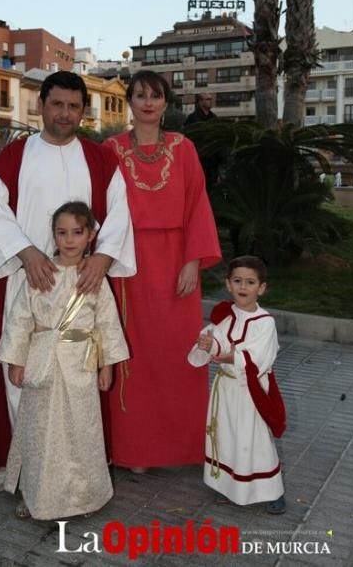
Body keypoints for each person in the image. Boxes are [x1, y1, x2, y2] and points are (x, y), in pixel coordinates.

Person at [0, 70, 135, 489]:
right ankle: (25, 469)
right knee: (24, 378)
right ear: (41, 105)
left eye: (73, 106)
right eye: (57, 104)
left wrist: (102, 256)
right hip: (28, 285)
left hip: (83, 288)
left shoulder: (101, 159)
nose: (65, 114)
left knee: (79, 387)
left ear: (83, 110)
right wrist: (26, 252)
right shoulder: (14, 157)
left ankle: (76, 474)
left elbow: (119, 213)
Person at [104, 69, 221, 472]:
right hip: (127, 262)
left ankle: (183, 446)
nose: (148, 102)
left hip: (176, 262)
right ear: (130, 102)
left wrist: (193, 260)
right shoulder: (111, 149)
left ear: (166, 103)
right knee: (134, 355)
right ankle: (136, 450)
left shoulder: (184, 148)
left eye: (156, 95)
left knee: (177, 353)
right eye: (140, 95)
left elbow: (197, 204)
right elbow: (101, 209)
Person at [0, 201, 129, 520]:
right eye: (62, 232)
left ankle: (84, 498)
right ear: (53, 236)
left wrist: (107, 365)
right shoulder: (41, 273)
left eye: (77, 232)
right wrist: (15, 359)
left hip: (80, 366)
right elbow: (21, 318)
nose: (69, 239)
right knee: (40, 433)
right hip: (41, 363)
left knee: (80, 432)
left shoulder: (94, 276)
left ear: (90, 235)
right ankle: (36, 495)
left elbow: (107, 322)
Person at [188, 256, 286, 514]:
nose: (243, 287)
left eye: (250, 282)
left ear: (261, 288)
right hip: (227, 390)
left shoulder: (265, 323)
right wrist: (209, 345)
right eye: (238, 281)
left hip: (250, 394)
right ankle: (228, 485)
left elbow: (260, 357)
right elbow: (217, 339)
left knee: (254, 439)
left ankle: (271, 489)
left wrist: (231, 356)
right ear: (228, 284)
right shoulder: (226, 316)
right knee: (227, 435)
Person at [184, 94, 219, 185]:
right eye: (207, 99)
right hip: (198, 158)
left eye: (211, 99)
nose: (210, 101)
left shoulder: (214, 118)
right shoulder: (192, 118)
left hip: (212, 161)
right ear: (200, 102)